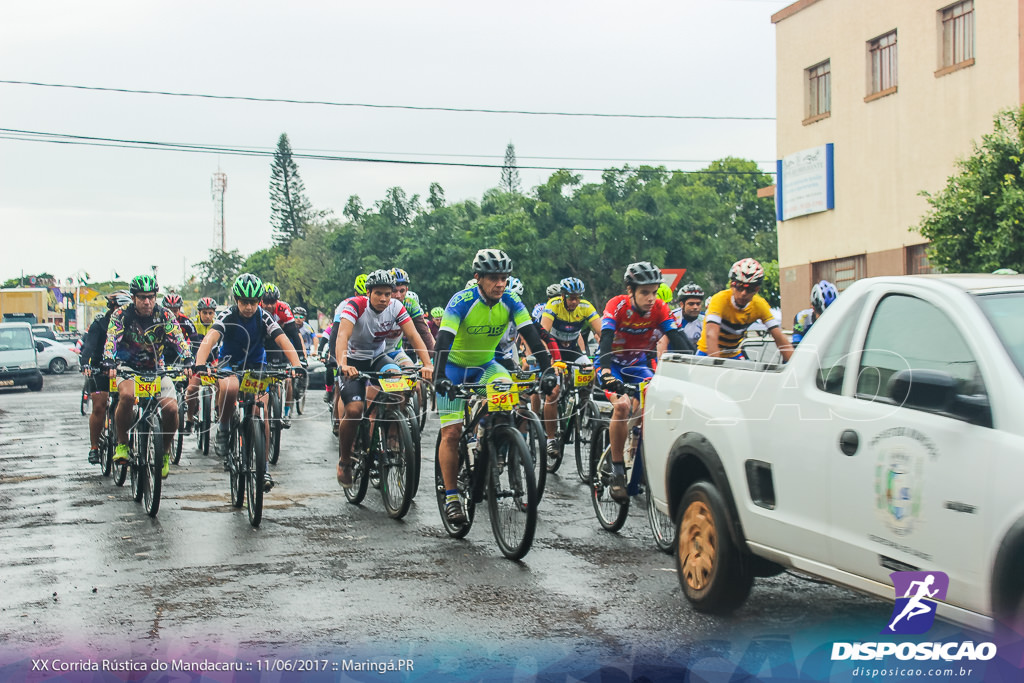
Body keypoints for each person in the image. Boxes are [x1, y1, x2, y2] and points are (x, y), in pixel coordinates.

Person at [433, 249, 556, 525]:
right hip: (453, 370)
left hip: (486, 367)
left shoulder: (511, 301)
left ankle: (491, 445)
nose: (500, 283)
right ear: (478, 278)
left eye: (504, 278)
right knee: (451, 433)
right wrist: (439, 376)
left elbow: (532, 337)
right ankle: (452, 496)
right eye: (494, 278)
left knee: (506, 404)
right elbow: (442, 342)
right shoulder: (461, 302)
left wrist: (548, 369)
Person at [193, 273, 304, 492]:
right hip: (229, 364)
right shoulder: (227, 315)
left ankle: (263, 469)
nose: (249, 307)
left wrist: (297, 364)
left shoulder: (263, 317)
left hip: (256, 366)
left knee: (260, 415)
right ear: (236, 300)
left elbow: (283, 339)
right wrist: (199, 362)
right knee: (231, 387)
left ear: (259, 301)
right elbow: (210, 339)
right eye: (244, 302)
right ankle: (224, 428)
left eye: (253, 302)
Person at [596, 262, 695, 502]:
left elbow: (678, 339)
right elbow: (606, 339)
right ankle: (618, 469)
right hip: (612, 365)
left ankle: (643, 451)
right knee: (621, 407)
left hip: (637, 366)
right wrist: (607, 372)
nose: (651, 298)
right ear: (630, 291)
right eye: (644, 293)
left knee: (659, 404)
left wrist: (696, 368)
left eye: (654, 291)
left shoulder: (660, 308)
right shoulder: (616, 305)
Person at [333, 269, 434, 488]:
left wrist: (427, 364)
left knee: (400, 383)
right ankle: (345, 460)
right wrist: (343, 364)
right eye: (378, 293)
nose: (384, 298)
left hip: (378, 358)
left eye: (388, 294)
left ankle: (392, 435)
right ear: (368, 293)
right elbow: (342, 336)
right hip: (352, 362)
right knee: (354, 410)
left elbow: (413, 335)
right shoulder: (355, 306)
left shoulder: (396, 307)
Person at [102, 275, 193, 479]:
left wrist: (187, 358)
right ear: (133, 298)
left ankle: (164, 453)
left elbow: (178, 339)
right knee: (126, 396)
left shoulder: (165, 315)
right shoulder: (121, 314)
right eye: (142, 297)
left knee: (171, 408)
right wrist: (109, 359)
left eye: (151, 297)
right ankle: (123, 445)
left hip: (156, 369)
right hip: (128, 368)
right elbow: (111, 340)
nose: (147, 302)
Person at [540, 276, 602, 455]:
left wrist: (604, 352)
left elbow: (602, 331)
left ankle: (583, 402)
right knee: (553, 392)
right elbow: (543, 333)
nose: (575, 301)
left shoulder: (585, 307)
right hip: (554, 349)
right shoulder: (553, 305)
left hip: (573, 349)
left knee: (591, 372)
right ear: (563, 296)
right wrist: (550, 360)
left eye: (578, 297)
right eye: (571, 297)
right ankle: (551, 439)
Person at [697, 258, 794, 363]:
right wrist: (716, 365)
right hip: (707, 352)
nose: (743, 293)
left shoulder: (759, 305)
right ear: (732, 285)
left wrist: (793, 365)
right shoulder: (719, 300)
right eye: (739, 287)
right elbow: (711, 335)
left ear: (757, 290)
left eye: (750, 289)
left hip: (733, 354)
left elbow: (779, 338)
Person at [82, 290, 131, 465]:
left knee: (129, 403)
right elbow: (88, 347)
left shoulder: (131, 322)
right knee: (99, 406)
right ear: (112, 307)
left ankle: (125, 441)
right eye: (120, 306)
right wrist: (85, 364)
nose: (123, 310)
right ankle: (94, 447)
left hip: (122, 370)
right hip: (99, 370)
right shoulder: (100, 324)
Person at [260, 283, 306, 425]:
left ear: (277, 301)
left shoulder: (283, 309)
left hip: (280, 343)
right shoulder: (257, 309)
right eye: (265, 302)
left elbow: (294, 334)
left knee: (287, 380)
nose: (268, 306)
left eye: (272, 302)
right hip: (263, 343)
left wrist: (301, 358)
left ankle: (286, 412)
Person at [183, 297, 218, 432]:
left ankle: (219, 410)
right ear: (199, 313)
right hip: (196, 360)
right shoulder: (192, 325)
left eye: (210, 313)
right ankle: (190, 419)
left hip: (213, 359)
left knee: (222, 383)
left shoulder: (218, 325)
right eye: (205, 313)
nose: (208, 316)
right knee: (191, 389)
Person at [792, 280, 837, 344]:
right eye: (821, 314)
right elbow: (796, 345)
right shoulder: (802, 318)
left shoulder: (837, 320)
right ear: (812, 307)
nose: (825, 319)